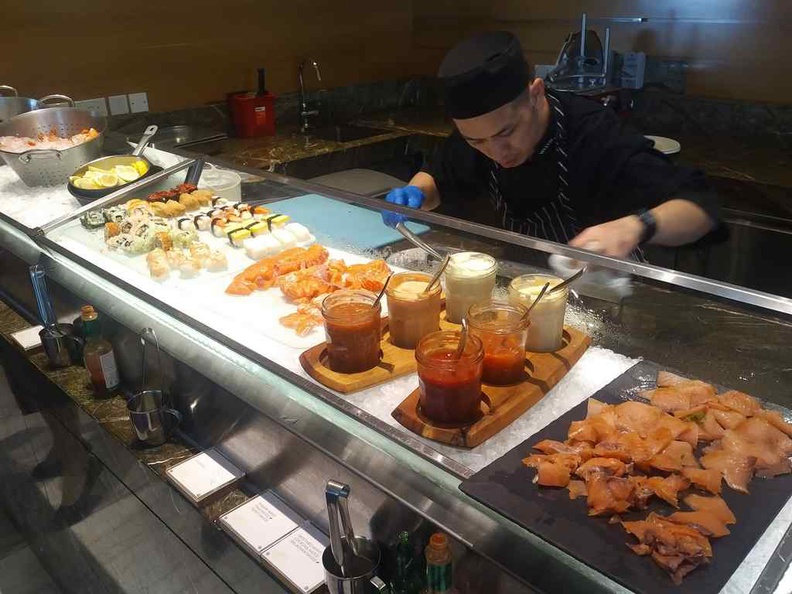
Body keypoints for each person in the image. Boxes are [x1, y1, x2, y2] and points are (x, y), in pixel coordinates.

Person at [382, 31, 719, 259]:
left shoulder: (595, 134)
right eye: (477, 141)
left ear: (536, 94)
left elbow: (700, 208)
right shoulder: (480, 136)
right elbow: (440, 175)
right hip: (524, 283)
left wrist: (636, 225)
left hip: (605, 296)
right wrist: (416, 193)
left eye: (506, 133)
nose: (497, 153)